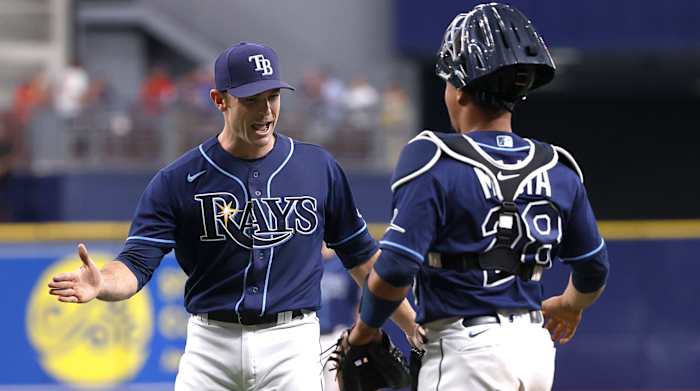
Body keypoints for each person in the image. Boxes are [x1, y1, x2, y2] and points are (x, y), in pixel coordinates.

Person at [47, 42, 417, 390]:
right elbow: (134, 265)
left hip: (292, 342)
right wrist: (102, 284)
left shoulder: (317, 167)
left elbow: (364, 260)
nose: (266, 111)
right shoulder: (179, 179)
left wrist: (412, 324)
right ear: (219, 100)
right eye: (252, 100)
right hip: (211, 344)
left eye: (273, 97)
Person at [344, 4, 610, 391]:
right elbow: (594, 270)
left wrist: (364, 331)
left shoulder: (432, 157)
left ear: (460, 91)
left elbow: (396, 271)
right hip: (534, 351)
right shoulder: (557, 166)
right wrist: (571, 305)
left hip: (466, 351)